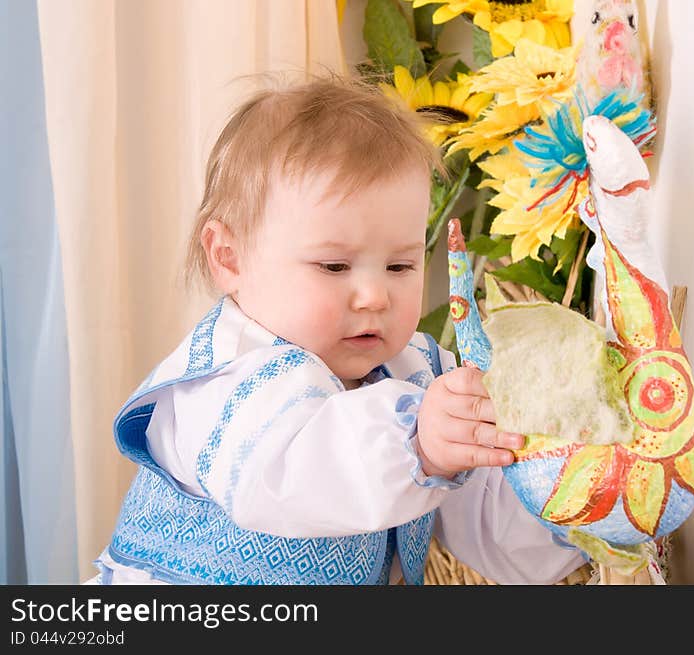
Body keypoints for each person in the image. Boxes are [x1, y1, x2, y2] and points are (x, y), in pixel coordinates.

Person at [88, 73, 586, 585]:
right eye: (333, 267)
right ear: (229, 258)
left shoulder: (416, 373)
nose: (375, 296)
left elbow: (482, 508)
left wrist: (574, 506)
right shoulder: (225, 379)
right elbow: (291, 471)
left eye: (400, 267)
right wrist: (420, 446)